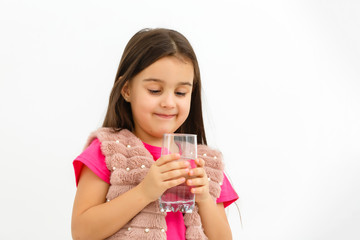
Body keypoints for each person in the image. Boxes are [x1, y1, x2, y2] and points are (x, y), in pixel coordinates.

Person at [71, 28, 238, 240]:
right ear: (127, 90)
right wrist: (145, 192)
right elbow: (82, 232)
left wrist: (204, 198)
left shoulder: (205, 163)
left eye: (180, 93)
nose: (168, 102)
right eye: (155, 90)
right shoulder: (107, 151)